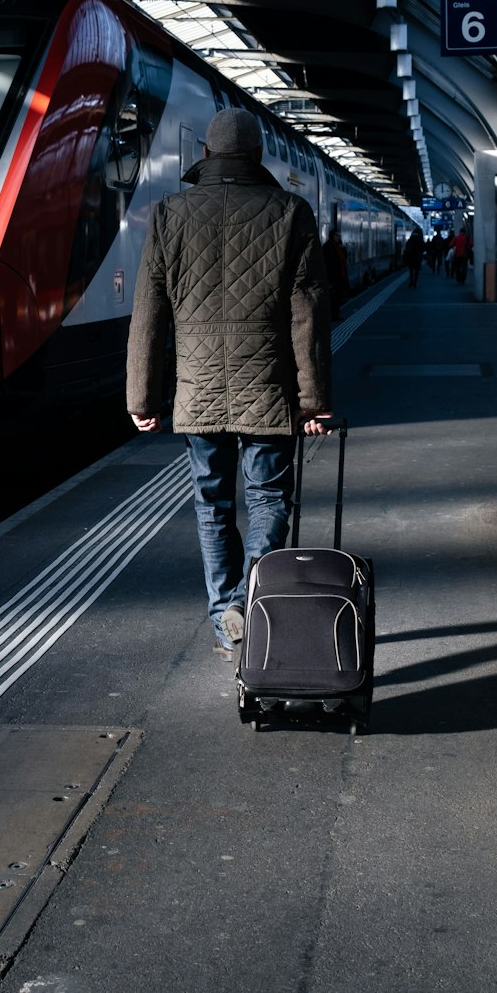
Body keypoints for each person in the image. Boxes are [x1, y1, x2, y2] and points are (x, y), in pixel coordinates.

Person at [125, 107, 333, 662]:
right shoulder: (290, 211)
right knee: (268, 497)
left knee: (211, 503)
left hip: (197, 392)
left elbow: (148, 312)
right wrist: (313, 401)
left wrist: (142, 398)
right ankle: (256, 601)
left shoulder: (169, 214)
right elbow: (307, 313)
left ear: (207, 155)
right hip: (269, 388)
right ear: (258, 157)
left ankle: (225, 616)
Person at [322, 227, 350, 321]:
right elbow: (328, 264)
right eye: (337, 235)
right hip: (333, 278)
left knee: (337, 297)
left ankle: (335, 315)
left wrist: (343, 247)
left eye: (339, 236)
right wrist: (330, 280)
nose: (339, 237)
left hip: (338, 277)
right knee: (333, 298)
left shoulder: (338, 247)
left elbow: (345, 257)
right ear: (332, 236)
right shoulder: (328, 247)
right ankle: (333, 316)